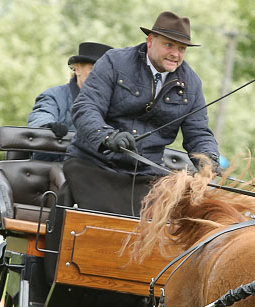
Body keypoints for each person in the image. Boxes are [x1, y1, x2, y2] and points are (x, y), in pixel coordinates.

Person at [63, 10, 220, 182]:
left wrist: (208, 161)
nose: (175, 54)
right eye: (169, 45)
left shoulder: (192, 83)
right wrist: (108, 137)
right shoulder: (114, 62)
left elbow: (198, 133)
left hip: (147, 173)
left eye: (181, 48)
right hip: (93, 163)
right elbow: (85, 107)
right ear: (151, 41)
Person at [27, 41, 112, 160]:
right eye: (93, 69)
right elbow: (41, 115)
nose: (99, 76)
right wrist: (48, 126)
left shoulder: (115, 104)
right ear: (77, 69)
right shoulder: (54, 96)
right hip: (56, 167)